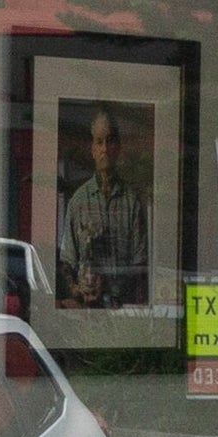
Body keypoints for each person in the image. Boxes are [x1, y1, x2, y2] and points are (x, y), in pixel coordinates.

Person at [57, 105, 152, 308]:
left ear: (117, 147)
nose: (104, 149)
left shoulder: (132, 202)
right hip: (87, 310)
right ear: (92, 148)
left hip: (122, 309)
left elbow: (140, 266)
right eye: (99, 142)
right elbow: (67, 261)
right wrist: (76, 290)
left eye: (109, 141)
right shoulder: (78, 202)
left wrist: (114, 289)